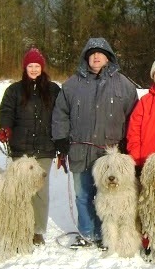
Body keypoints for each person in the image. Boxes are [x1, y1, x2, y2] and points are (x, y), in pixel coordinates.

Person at [52, 37, 138, 249]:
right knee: (82, 195)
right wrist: (61, 140)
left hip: (110, 153)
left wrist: (128, 145)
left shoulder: (124, 85)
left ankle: (107, 235)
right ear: (86, 58)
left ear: (108, 57)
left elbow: (133, 117)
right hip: (80, 150)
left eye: (100, 53)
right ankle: (87, 233)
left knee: (109, 195)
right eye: (92, 54)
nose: (96, 57)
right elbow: (60, 114)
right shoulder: (72, 85)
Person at [0, 47, 61, 246]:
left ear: (42, 68)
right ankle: (21, 225)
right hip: (21, 148)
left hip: (45, 147)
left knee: (40, 190)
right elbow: (6, 111)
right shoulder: (14, 90)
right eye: (30, 66)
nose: (34, 69)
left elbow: (61, 116)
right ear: (25, 68)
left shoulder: (53, 90)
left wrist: (62, 140)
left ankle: (37, 230)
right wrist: (6, 128)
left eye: (37, 66)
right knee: (21, 189)